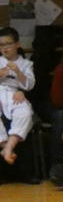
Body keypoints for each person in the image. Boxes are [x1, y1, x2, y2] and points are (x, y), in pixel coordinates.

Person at [0, 27, 35, 166]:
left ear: (17, 44)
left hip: (15, 93)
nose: (4, 48)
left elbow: (29, 85)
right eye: (1, 45)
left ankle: (9, 146)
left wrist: (18, 72)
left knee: (25, 112)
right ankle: (5, 146)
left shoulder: (26, 64)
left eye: (8, 44)